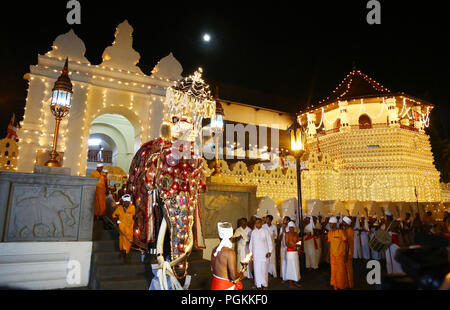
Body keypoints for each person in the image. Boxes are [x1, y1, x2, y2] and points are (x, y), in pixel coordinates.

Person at [211, 222, 244, 290]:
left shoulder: (214, 250)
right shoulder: (230, 252)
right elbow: (233, 277)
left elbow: (221, 270)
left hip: (215, 285)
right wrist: (240, 274)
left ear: (219, 236)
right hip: (225, 287)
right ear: (231, 236)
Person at [249, 217, 273, 289]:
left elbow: (269, 242)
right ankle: (258, 284)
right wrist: (251, 253)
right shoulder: (253, 232)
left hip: (264, 254)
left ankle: (265, 285)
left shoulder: (265, 231)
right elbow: (251, 244)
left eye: (258, 223)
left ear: (262, 223)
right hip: (256, 254)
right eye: (256, 223)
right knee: (256, 270)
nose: (257, 224)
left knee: (264, 270)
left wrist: (269, 251)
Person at [112, 194, 136, 263]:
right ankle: (124, 252)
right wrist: (117, 220)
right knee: (122, 239)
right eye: (125, 202)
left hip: (129, 228)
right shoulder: (119, 208)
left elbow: (134, 216)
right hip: (121, 227)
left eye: (128, 202)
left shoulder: (132, 208)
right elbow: (113, 215)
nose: (126, 203)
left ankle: (126, 252)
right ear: (123, 201)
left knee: (128, 240)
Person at [328, 216, 349, 290]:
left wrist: (346, 255)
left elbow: (346, 243)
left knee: (341, 272)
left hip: (340, 255)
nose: (329, 225)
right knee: (333, 271)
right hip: (332, 256)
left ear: (335, 224)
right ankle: (335, 285)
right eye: (329, 223)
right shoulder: (329, 232)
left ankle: (342, 286)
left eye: (331, 223)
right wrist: (327, 255)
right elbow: (330, 244)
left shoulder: (340, 231)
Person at [283, 221, 301, 288]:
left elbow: (299, 241)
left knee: (296, 267)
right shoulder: (287, 234)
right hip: (290, 252)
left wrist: (299, 246)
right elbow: (286, 243)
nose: (291, 229)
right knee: (290, 267)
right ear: (288, 228)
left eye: (293, 227)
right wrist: (292, 247)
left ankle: (296, 281)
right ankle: (291, 283)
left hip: (295, 252)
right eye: (290, 227)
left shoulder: (296, 234)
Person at [342, 216, 354, 288]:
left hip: (348, 252)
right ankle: (346, 283)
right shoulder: (346, 229)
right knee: (345, 269)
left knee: (349, 269)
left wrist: (346, 254)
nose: (342, 222)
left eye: (343, 221)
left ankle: (350, 284)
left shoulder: (350, 230)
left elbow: (348, 243)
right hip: (345, 251)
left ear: (346, 222)